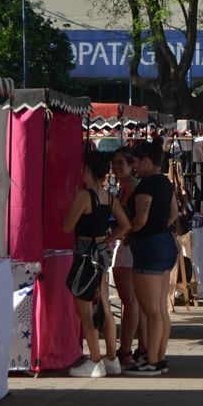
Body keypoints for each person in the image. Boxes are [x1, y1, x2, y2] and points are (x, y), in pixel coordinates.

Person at [62, 151, 131, 378]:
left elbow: (67, 226)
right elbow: (125, 224)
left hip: (84, 254)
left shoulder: (84, 196)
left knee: (84, 309)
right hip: (101, 253)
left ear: (87, 170)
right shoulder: (109, 197)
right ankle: (112, 359)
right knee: (104, 305)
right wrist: (108, 240)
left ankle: (94, 359)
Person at [128, 140, 179, 376]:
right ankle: (159, 357)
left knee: (151, 310)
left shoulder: (146, 185)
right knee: (159, 308)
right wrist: (161, 228)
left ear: (147, 161)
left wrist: (126, 234)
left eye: (135, 161)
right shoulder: (166, 183)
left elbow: (140, 219)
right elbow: (174, 214)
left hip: (149, 246)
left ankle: (152, 359)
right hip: (165, 243)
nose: (134, 166)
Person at [110, 148, 147, 370]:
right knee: (136, 302)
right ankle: (140, 348)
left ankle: (125, 350)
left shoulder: (131, 187)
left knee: (130, 300)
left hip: (128, 245)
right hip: (128, 244)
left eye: (120, 163)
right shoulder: (124, 187)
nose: (116, 167)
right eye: (114, 163)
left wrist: (121, 236)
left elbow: (136, 219)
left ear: (131, 165)